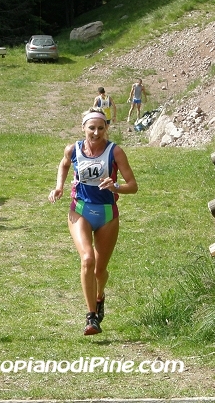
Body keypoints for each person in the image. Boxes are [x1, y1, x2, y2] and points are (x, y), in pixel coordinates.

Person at [48, 108, 138, 335]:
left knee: (100, 271)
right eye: (92, 128)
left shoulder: (115, 151)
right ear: (83, 128)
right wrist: (59, 186)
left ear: (106, 128)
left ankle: (100, 296)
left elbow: (133, 186)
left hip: (107, 214)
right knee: (87, 259)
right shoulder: (74, 149)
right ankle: (91, 317)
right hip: (80, 210)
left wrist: (115, 186)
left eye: (100, 128)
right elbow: (64, 164)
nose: (96, 133)